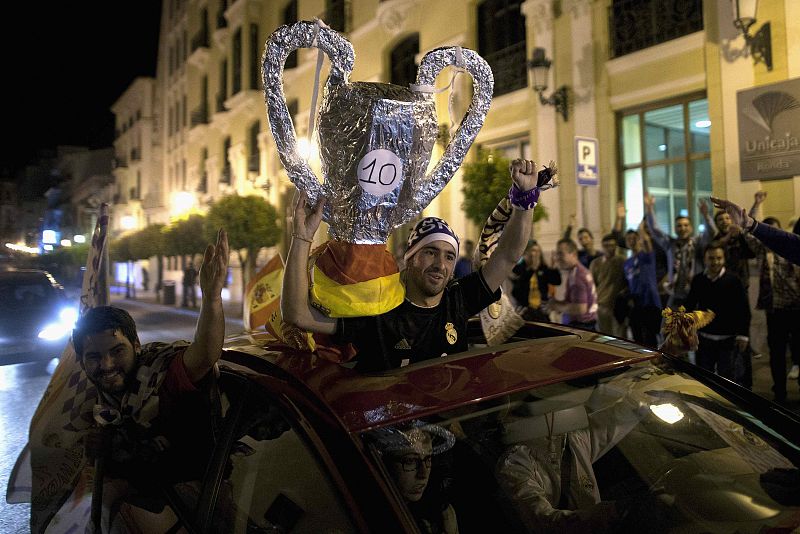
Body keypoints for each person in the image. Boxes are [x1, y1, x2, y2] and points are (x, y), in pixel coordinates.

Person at [282, 158, 549, 371]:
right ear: (410, 257)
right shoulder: (380, 308)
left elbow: (507, 255)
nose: (440, 265)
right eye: (430, 252)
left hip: (450, 420)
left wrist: (525, 200)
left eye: (449, 256)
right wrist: (302, 237)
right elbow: (298, 315)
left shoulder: (458, 300)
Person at [73, 229, 229, 530]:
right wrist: (100, 447)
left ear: (136, 346)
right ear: (82, 360)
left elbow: (205, 355)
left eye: (117, 351)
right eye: (94, 356)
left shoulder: (162, 375)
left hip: (194, 512)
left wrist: (211, 298)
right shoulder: (92, 399)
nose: (106, 366)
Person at [372, 423, 459, 534]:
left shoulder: (443, 514)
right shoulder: (373, 516)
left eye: (428, 459)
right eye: (410, 461)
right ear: (385, 463)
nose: (423, 474)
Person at [684, 243, 751, 386]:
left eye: (719, 258)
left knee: (727, 379)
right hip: (704, 338)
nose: (715, 262)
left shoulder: (734, 280)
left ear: (724, 259)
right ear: (704, 259)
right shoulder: (698, 280)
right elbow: (689, 305)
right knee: (704, 378)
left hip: (728, 339)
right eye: (711, 258)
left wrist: (743, 335)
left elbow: (743, 309)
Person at [751, 214, 800, 403]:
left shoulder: (793, 248)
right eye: (769, 231)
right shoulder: (765, 251)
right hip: (776, 310)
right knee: (777, 353)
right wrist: (754, 210)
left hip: (796, 308)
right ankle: (779, 391)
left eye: (775, 230)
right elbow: (748, 234)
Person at [644, 194, 715, 309]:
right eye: (679, 226)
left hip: (696, 294)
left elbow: (711, 232)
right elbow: (655, 230)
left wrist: (706, 215)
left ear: (691, 228)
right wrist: (649, 208)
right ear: (675, 229)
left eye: (686, 225)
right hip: (676, 294)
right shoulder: (670, 244)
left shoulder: (698, 243)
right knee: (668, 320)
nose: (683, 228)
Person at [711, 196, 800, 266]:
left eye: (727, 218)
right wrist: (748, 223)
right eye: (721, 219)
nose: (725, 221)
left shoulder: (741, 235)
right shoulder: (761, 247)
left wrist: (748, 224)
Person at [623, 223, 663, 348]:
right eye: (629, 239)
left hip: (650, 303)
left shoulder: (646, 255)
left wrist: (642, 231)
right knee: (637, 339)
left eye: (634, 238)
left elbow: (647, 243)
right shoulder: (627, 263)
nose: (632, 241)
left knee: (651, 339)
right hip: (636, 305)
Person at [546, 239, 598, 330]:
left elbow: (580, 309)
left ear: (573, 254)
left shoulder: (578, 276)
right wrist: (557, 303)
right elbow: (573, 302)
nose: (557, 258)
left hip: (583, 326)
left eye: (561, 254)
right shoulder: (576, 271)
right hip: (586, 324)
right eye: (557, 254)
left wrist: (556, 306)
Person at [509, 240, 561, 322]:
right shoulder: (518, 269)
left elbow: (556, 281)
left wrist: (554, 268)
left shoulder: (542, 268)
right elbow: (516, 292)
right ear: (526, 253)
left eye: (538, 251)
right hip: (524, 311)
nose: (536, 254)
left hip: (541, 311)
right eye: (533, 250)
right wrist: (531, 269)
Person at [589, 234, 627, 338]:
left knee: (621, 337)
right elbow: (592, 285)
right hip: (602, 304)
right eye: (606, 246)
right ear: (602, 247)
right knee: (605, 337)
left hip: (618, 305)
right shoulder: (595, 263)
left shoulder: (622, 261)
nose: (610, 248)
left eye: (612, 245)